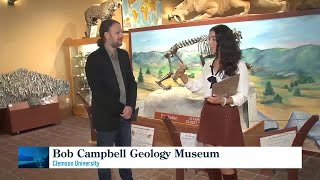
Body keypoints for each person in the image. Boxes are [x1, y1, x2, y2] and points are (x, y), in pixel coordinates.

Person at [175, 24, 249, 180]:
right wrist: (182, 76)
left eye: (213, 39)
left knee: (224, 162)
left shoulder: (239, 65)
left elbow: (243, 95)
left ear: (224, 40)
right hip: (208, 113)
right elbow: (197, 87)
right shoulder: (208, 65)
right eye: (209, 39)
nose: (210, 42)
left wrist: (224, 99)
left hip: (226, 114)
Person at [85, 19, 137, 180]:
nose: (122, 35)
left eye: (121, 32)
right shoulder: (94, 59)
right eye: (118, 32)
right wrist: (122, 109)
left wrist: (130, 105)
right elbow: (99, 92)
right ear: (106, 35)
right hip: (106, 118)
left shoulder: (123, 55)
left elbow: (131, 82)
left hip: (125, 117)